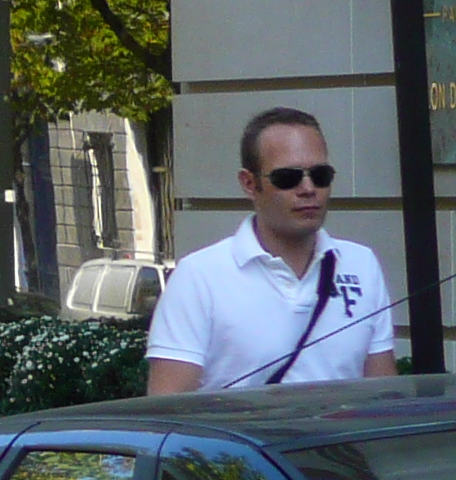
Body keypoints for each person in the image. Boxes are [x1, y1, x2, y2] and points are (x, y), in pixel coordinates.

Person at [146, 106, 398, 392]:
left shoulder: (361, 265)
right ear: (249, 184)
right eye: (287, 178)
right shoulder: (199, 277)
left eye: (320, 175)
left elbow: (383, 398)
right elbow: (169, 407)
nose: (307, 188)